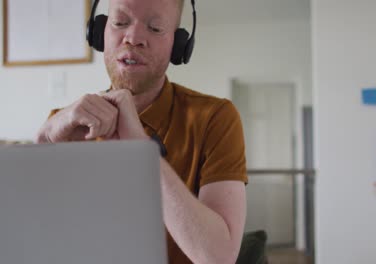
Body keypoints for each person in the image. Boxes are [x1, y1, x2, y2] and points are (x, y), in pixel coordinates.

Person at [35, 0, 248, 263]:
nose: (133, 37)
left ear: (178, 44)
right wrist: (42, 141)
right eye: (120, 22)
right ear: (99, 31)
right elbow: (32, 238)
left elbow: (217, 258)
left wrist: (142, 151)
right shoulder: (61, 127)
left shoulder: (215, 118)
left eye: (156, 28)